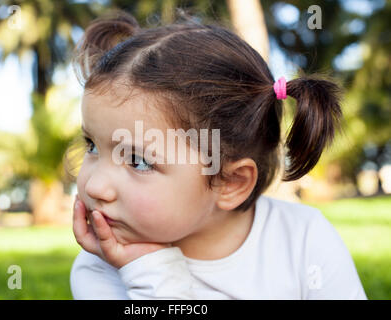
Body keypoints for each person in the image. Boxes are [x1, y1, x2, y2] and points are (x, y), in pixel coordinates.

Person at [64, 9, 367, 300]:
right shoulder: (99, 267)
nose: (93, 186)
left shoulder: (304, 240)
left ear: (230, 182)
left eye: (138, 161)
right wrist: (147, 270)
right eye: (91, 145)